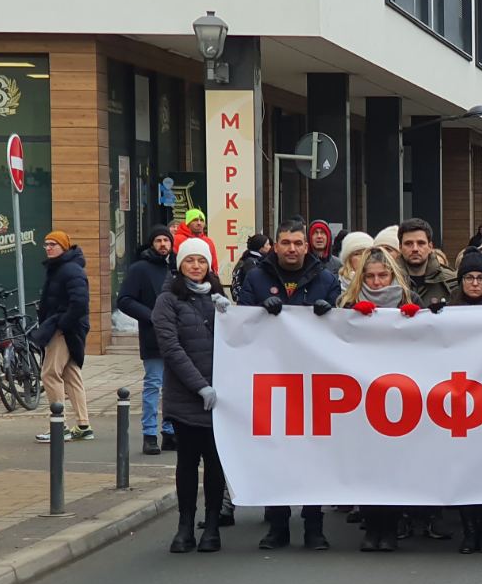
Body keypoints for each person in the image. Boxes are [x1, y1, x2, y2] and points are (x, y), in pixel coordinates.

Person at [238, 219, 342, 550]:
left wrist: (331, 311)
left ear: (307, 245)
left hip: (315, 381)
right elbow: (240, 325)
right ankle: (278, 526)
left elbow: (343, 325)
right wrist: (256, 311)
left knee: (314, 454)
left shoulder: (325, 279)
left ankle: (314, 526)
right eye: (285, 242)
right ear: (276, 245)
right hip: (273, 380)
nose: (292, 249)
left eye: (298, 243)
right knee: (276, 454)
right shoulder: (256, 278)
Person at [336, 247, 423, 551]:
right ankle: (372, 529)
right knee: (368, 465)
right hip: (362, 398)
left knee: (394, 467)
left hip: (401, 397)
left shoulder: (410, 302)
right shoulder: (347, 305)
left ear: (393, 275)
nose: (375, 281)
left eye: (382, 275)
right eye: (370, 276)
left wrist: (421, 321)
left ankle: (390, 529)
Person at [152, 238, 232, 554]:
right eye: (190, 261)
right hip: (186, 397)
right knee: (187, 462)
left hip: (220, 399)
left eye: (201, 261)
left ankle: (212, 526)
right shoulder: (168, 300)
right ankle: (185, 526)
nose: (196, 266)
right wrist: (200, 386)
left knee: (215, 464)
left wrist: (231, 315)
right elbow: (171, 348)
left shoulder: (217, 298)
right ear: (180, 265)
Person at [443, 248, 482, 553]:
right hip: (458, 401)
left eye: (481, 278)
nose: (475, 283)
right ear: (461, 280)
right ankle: (469, 531)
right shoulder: (446, 311)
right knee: (464, 471)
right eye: (469, 278)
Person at [32, 231, 93, 443]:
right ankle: (83, 425)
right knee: (71, 372)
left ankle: (60, 425)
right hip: (65, 327)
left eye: (53, 244)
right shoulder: (60, 268)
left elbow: (80, 303)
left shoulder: (70, 270)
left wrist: (61, 325)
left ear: (64, 247)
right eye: (46, 244)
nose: (48, 247)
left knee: (49, 373)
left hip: (64, 329)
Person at [116, 226, 173, 455]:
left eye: (166, 240)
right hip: (153, 336)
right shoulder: (140, 269)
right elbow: (125, 300)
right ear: (152, 243)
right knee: (153, 385)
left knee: (173, 388)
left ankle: (170, 432)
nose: (162, 244)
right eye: (158, 240)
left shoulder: (177, 266)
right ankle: (150, 434)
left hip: (177, 337)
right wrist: (151, 316)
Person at [397, 218, 457, 306]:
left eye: (421, 243)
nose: (415, 249)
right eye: (408, 243)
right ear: (400, 247)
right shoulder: (387, 280)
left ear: (430, 246)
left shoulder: (451, 281)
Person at [172, 208, 219, 275]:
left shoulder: (208, 241)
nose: (199, 223)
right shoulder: (177, 239)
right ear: (188, 223)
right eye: (195, 220)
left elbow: (214, 265)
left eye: (202, 220)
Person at [230, 233, 269, 303]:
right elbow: (256, 284)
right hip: (249, 303)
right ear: (261, 247)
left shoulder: (247, 259)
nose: (270, 247)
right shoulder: (251, 262)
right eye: (267, 244)